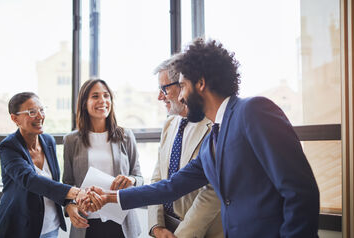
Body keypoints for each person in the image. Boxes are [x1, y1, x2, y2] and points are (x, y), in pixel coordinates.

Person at [87, 38, 320, 238]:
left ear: (200, 83)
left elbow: (300, 192)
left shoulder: (253, 111)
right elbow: (170, 187)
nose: (182, 96)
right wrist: (110, 197)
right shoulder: (212, 142)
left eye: (183, 86)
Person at [0, 92, 84, 238]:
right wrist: (75, 192)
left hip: (50, 226)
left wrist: (69, 203)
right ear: (15, 118)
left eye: (41, 110)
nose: (40, 116)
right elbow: (29, 180)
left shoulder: (48, 141)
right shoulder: (9, 147)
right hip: (19, 228)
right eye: (32, 112)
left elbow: (52, 182)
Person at [148, 56, 223, 238]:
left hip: (200, 232)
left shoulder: (213, 126)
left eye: (164, 89)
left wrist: (182, 235)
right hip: (166, 226)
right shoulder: (169, 124)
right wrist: (156, 226)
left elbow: (212, 193)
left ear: (183, 85)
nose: (160, 96)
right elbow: (158, 179)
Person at [63, 79, 143, 238]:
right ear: (84, 102)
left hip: (122, 222)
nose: (103, 101)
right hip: (86, 223)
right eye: (95, 96)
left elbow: (139, 177)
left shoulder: (125, 136)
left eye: (106, 96)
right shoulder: (71, 140)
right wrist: (69, 206)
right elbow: (67, 183)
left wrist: (131, 180)